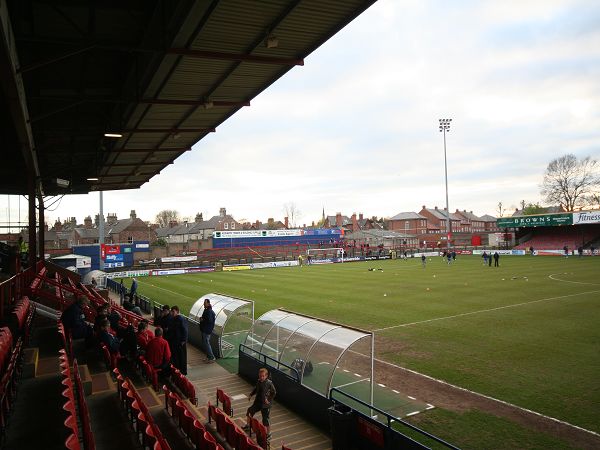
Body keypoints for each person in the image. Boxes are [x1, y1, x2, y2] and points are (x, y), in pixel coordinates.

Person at [243, 367, 277, 439]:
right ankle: (248, 426)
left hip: (265, 405)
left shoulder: (269, 383)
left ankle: (269, 434)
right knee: (250, 410)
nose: (261, 377)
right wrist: (251, 394)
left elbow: (274, 392)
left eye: (263, 376)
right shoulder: (259, 381)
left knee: (265, 419)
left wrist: (268, 399)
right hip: (258, 402)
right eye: (260, 376)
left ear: (266, 376)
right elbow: (256, 389)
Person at [168, 306, 188, 375]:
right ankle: (177, 370)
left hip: (180, 342)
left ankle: (182, 372)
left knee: (181, 357)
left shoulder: (181, 319)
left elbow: (185, 331)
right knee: (176, 357)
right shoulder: (174, 319)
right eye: (171, 312)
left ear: (177, 311)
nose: (172, 313)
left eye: (173, 312)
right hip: (175, 342)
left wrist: (183, 341)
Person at [199, 299, 216, 363]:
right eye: (204, 303)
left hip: (206, 330)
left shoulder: (209, 311)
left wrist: (202, 320)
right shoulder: (207, 310)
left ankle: (212, 357)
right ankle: (209, 357)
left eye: (205, 303)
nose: (204, 304)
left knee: (207, 344)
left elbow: (209, 321)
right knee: (206, 344)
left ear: (208, 304)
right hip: (205, 329)